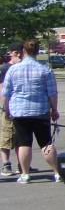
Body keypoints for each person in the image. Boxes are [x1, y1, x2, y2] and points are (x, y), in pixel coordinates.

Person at [0, 38, 60, 183]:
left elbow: (6, 93)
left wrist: (6, 109)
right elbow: (52, 93)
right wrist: (54, 109)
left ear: (23, 52)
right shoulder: (45, 69)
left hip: (20, 111)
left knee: (24, 143)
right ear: (37, 51)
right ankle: (57, 172)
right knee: (46, 143)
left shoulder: (13, 69)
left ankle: (25, 174)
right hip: (40, 110)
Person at [0, 42, 22, 176]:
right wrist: (5, 106)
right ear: (16, 53)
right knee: (6, 137)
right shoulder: (5, 68)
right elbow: (2, 89)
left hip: (21, 108)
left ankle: (22, 164)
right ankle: (6, 164)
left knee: (21, 136)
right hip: (7, 107)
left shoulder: (22, 67)